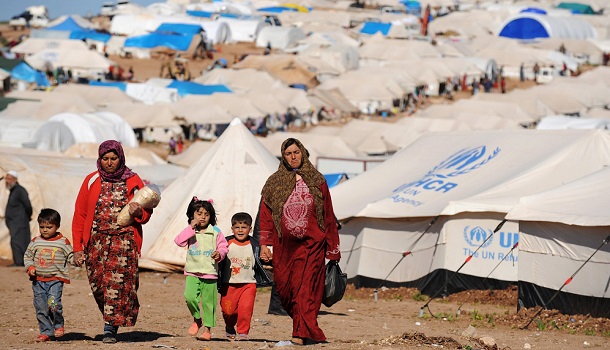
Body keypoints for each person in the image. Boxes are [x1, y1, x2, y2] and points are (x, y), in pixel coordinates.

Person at [258, 138, 341, 345]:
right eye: (288, 153)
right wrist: (264, 245)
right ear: (283, 157)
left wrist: (333, 248)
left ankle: (303, 332)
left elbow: (328, 215)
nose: (293, 157)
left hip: (313, 244)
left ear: (303, 153)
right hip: (284, 247)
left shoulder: (317, 180)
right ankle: (304, 327)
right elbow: (266, 215)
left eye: (296, 152)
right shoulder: (274, 182)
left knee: (305, 289)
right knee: (287, 290)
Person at [71, 140, 153, 344]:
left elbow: (147, 210)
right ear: (99, 159)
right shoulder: (91, 180)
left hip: (124, 241)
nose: (109, 162)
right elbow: (80, 215)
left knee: (116, 285)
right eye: (105, 158)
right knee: (99, 285)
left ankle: (110, 328)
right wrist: (77, 248)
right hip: (96, 242)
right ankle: (112, 316)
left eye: (113, 158)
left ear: (121, 158)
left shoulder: (133, 180)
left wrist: (139, 212)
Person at [174, 198, 228, 341]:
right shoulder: (190, 231)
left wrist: (219, 254)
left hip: (210, 273)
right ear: (192, 215)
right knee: (190, 297)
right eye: (199, 213)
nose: (202, 217)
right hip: (193, 271)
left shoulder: (215, 232)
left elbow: (224, 247)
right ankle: (197, 319)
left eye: (206, 214)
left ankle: (207, 330)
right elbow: (179, 241)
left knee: (209, 303)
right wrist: (191, 228)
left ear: (211, 217)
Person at [219, 212, 273, 341]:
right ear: (232, 228)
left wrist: (267, 259)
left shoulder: (255, 244)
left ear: (250, 229)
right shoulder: (226, 242)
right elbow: (218, 256)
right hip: (228, 284)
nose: (240, 230)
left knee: (245, 309)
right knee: (228, 311)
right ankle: (230, 326)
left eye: (244, 227)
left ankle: (243, 332)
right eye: (237, 227)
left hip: (249, 284)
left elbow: (264, 258)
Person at [24, 208, 74, 342]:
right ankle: (46, 331)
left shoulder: (63, 242)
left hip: (55, 280)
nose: (45, 230)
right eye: (42, 227)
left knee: (53, 304)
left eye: (49, 227)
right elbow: (28, 256)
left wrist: (77, 260)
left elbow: (70, 256)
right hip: (38, 281)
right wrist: (30, 267)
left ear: (57, 226)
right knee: (41, 307)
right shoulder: (35, 241)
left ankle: (58, 325)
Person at [4, 170, 33, 267]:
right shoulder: (13, 191)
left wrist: (27, 216)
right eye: (6, 178)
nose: (7, 181)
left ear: (15, 180)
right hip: (15, 221)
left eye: (9, 179)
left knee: (18, 241)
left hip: (19, 221)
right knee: (17, 240)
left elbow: (28, 205)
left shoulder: (20, 190)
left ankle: (20, 262)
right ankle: (19, 261)